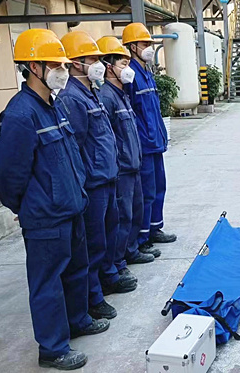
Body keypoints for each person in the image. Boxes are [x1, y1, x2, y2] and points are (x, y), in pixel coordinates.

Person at [0, 29, 109, 370]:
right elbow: (7, 176)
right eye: (55, 65)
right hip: (46, 217)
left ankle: (77, 320)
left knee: (75, 272)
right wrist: (27, 206)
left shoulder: (54, 105)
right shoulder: (20, 115)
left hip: (71, 208)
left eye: (63, 64)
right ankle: (53, 348)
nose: (63, 70)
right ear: (34, 67)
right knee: (47, 283)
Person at [58, 31, 137, 320]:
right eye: (92, 59)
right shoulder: (72, 98)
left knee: (107, 235)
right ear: (75, 63)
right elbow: (76, 147)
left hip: (107, 177)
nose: (99, 65)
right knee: (92, 243)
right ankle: (93, 297)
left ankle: (107, 277)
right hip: (93, 183)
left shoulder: (91, 92)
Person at [97, 36, 155, 269]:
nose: (128, 69)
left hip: (133, 164)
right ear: (109, 67)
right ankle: (118, 262)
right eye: (123, 64)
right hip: (121, 168)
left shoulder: (121, 94)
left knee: (134, 212)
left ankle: (130, 251)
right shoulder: (106, 97)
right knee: (121, 217)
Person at [122, 23, 177, 257]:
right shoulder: (130, 75)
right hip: (144, 144)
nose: (148, 48)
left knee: (158, 187)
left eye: (149, 44)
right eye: (144, 44)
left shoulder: (147, 72)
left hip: (155, 141)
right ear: (132, 47)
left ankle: (155, 228)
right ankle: (142, 238)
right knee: (145, 192)